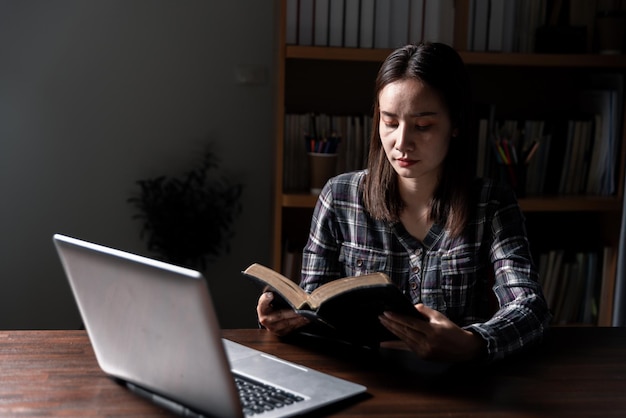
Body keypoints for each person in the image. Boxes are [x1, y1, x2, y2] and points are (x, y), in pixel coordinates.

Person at [257, 42, 551, 363]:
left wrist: (475, 342)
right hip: (363, 378)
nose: (401, 143)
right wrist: (286, 319)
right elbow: (312, 303)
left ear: (456, 124)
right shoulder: (339, 197)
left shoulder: (491, 204)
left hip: (459, 387)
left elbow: (529, 306)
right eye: (390, 122)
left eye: (423, 126)